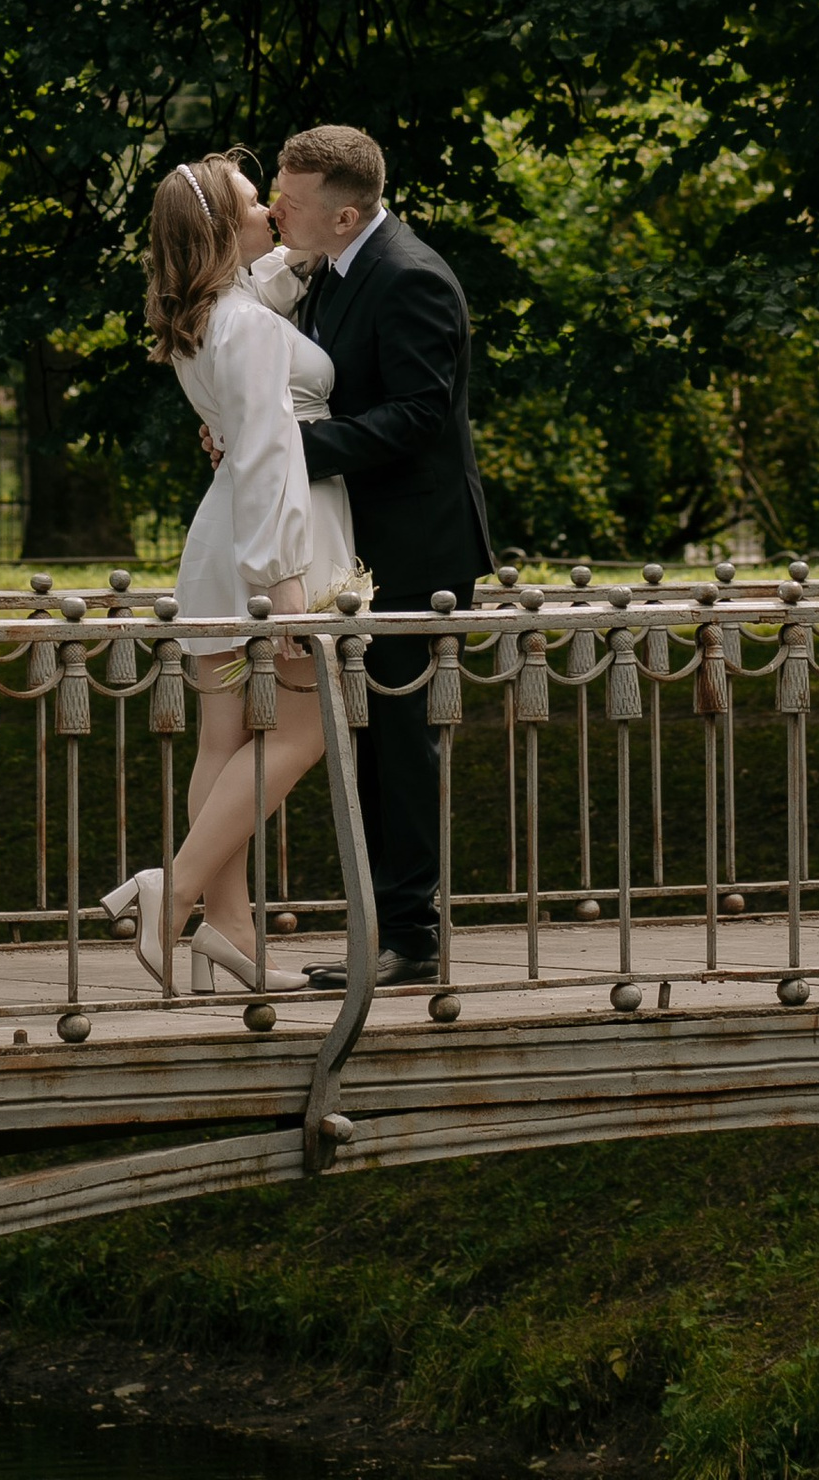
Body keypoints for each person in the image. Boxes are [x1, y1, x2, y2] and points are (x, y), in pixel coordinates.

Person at [101, 152, 354, 995]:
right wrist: (286, 583)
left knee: (225, 739)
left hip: (225, 535)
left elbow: (274, 285)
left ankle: (234, 933)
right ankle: (171, 890)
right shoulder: (240, 324)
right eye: (256, 202)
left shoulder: (217, 309)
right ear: (220, 227)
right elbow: (267, 446)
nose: (271, 209)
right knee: (306, 730)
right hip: (272, 535)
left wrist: (304, 246)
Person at [275, 120, 493, 989]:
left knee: (399, 743)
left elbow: (418, 415)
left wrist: (293, 447)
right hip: (363, 538)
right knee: (368, 738)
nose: (275, 212)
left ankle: (412, 938)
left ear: (345, 213)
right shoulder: (335, 266)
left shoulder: (409, 278)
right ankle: (389, 928)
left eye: (290, 203)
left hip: (418, 545)